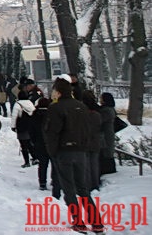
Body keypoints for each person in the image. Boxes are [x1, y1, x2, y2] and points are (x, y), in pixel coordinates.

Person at [44, 78, 104, 233]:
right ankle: (96, 222)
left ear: (57, 91)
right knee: (83, 188)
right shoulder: (81, 106)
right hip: (81, 151)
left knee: (69, 188)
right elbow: (87, 129)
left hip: (64, 152)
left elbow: (52, 133)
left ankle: (79, 221)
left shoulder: (55, 108)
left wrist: (52, 152)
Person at [31, 97, 59, 195]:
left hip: (39, 143)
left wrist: (33, 141)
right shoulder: (52, 115)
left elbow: (32, 130)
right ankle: (55, 180)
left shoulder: (35, 115)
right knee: (54, 164)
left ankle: (42, 182)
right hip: (51, 143)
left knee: (42, 164)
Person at [81, 90, 103, 191]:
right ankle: (96, 183)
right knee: (94, 163)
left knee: (86, 165)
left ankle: (87, 184)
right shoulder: (97, 113)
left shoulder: (80, 112)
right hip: (95, 140)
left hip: (84, 140)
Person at [12, 94, 37, 167]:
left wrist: (13, 126)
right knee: (30, 143)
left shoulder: (18, 104)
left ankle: (26, 162)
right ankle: (35, 158)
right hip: (30, 126)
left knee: (23, 145)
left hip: (21, 127)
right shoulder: (30, 103)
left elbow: (14, 116)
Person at [98, 92, 117, 176]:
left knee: (106, 152)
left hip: (106, 135)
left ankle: (108, 170)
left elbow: (99, 121)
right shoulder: (109, 109)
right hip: (107, 134)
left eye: (101, 98)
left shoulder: (106, 110)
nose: (100, 100)